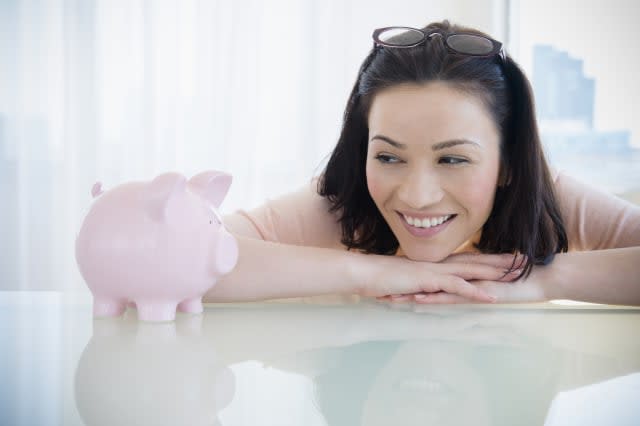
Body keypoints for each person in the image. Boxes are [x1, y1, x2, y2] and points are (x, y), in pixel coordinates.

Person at [204, 20, 640, 306]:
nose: (415, 194)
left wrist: (540, 278)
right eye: (389, 156)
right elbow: (183, 254)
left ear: (508, 164)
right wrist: (369, 272)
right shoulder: (343, 207)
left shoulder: (547, 199)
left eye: (452, 158)